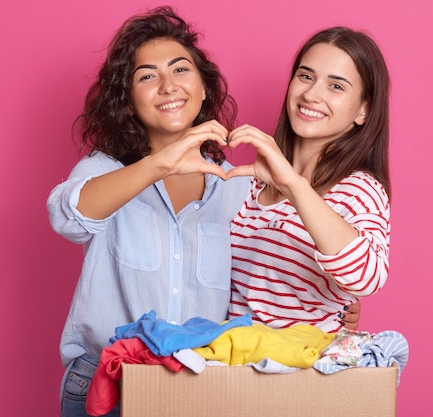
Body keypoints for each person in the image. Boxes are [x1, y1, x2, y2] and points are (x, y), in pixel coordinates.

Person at [48, 7, 362, 416]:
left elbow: (260, 273)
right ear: (126, 103)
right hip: (108, 384)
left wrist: (329, 298)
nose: (167, 85)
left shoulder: (237, 187)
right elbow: (67, 218)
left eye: (180, 70)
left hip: (197, 385)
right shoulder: (104, 171)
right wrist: (160, 163)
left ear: (202, 90)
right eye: (146, 76)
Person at [226, 26, 391, 334]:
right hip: (233, 372)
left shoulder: (358, 190)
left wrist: (294, 185)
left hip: (303, 377)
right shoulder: (249, 187)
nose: (312, 94)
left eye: (336, 86)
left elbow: (367, 278)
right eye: (305, 76)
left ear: (364, 110)